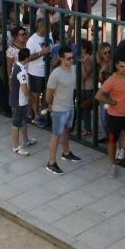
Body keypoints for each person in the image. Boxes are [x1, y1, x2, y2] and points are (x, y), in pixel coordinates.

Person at [44, 46, 82, 175]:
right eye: (68, 58)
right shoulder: (55, 74)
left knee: (66, 131)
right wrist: (51, 105)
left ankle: (66, 153)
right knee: (56, 135)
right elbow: (48, 95)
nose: (71, 60)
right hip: (59, 109)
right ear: (61, 58)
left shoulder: (74, 70)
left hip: (70, 106)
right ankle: (51, 163)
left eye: (72, 57)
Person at [25, 19, 53, 127]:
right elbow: (28, 57)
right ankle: (36, 116)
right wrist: (42, 53)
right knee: (35, 95)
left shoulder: (49, 35)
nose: (49, 28)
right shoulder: (32, 40)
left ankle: (44, 114)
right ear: (40, 27)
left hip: (48, 71)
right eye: (47, 26)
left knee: (46, 95)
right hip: (36, 72)